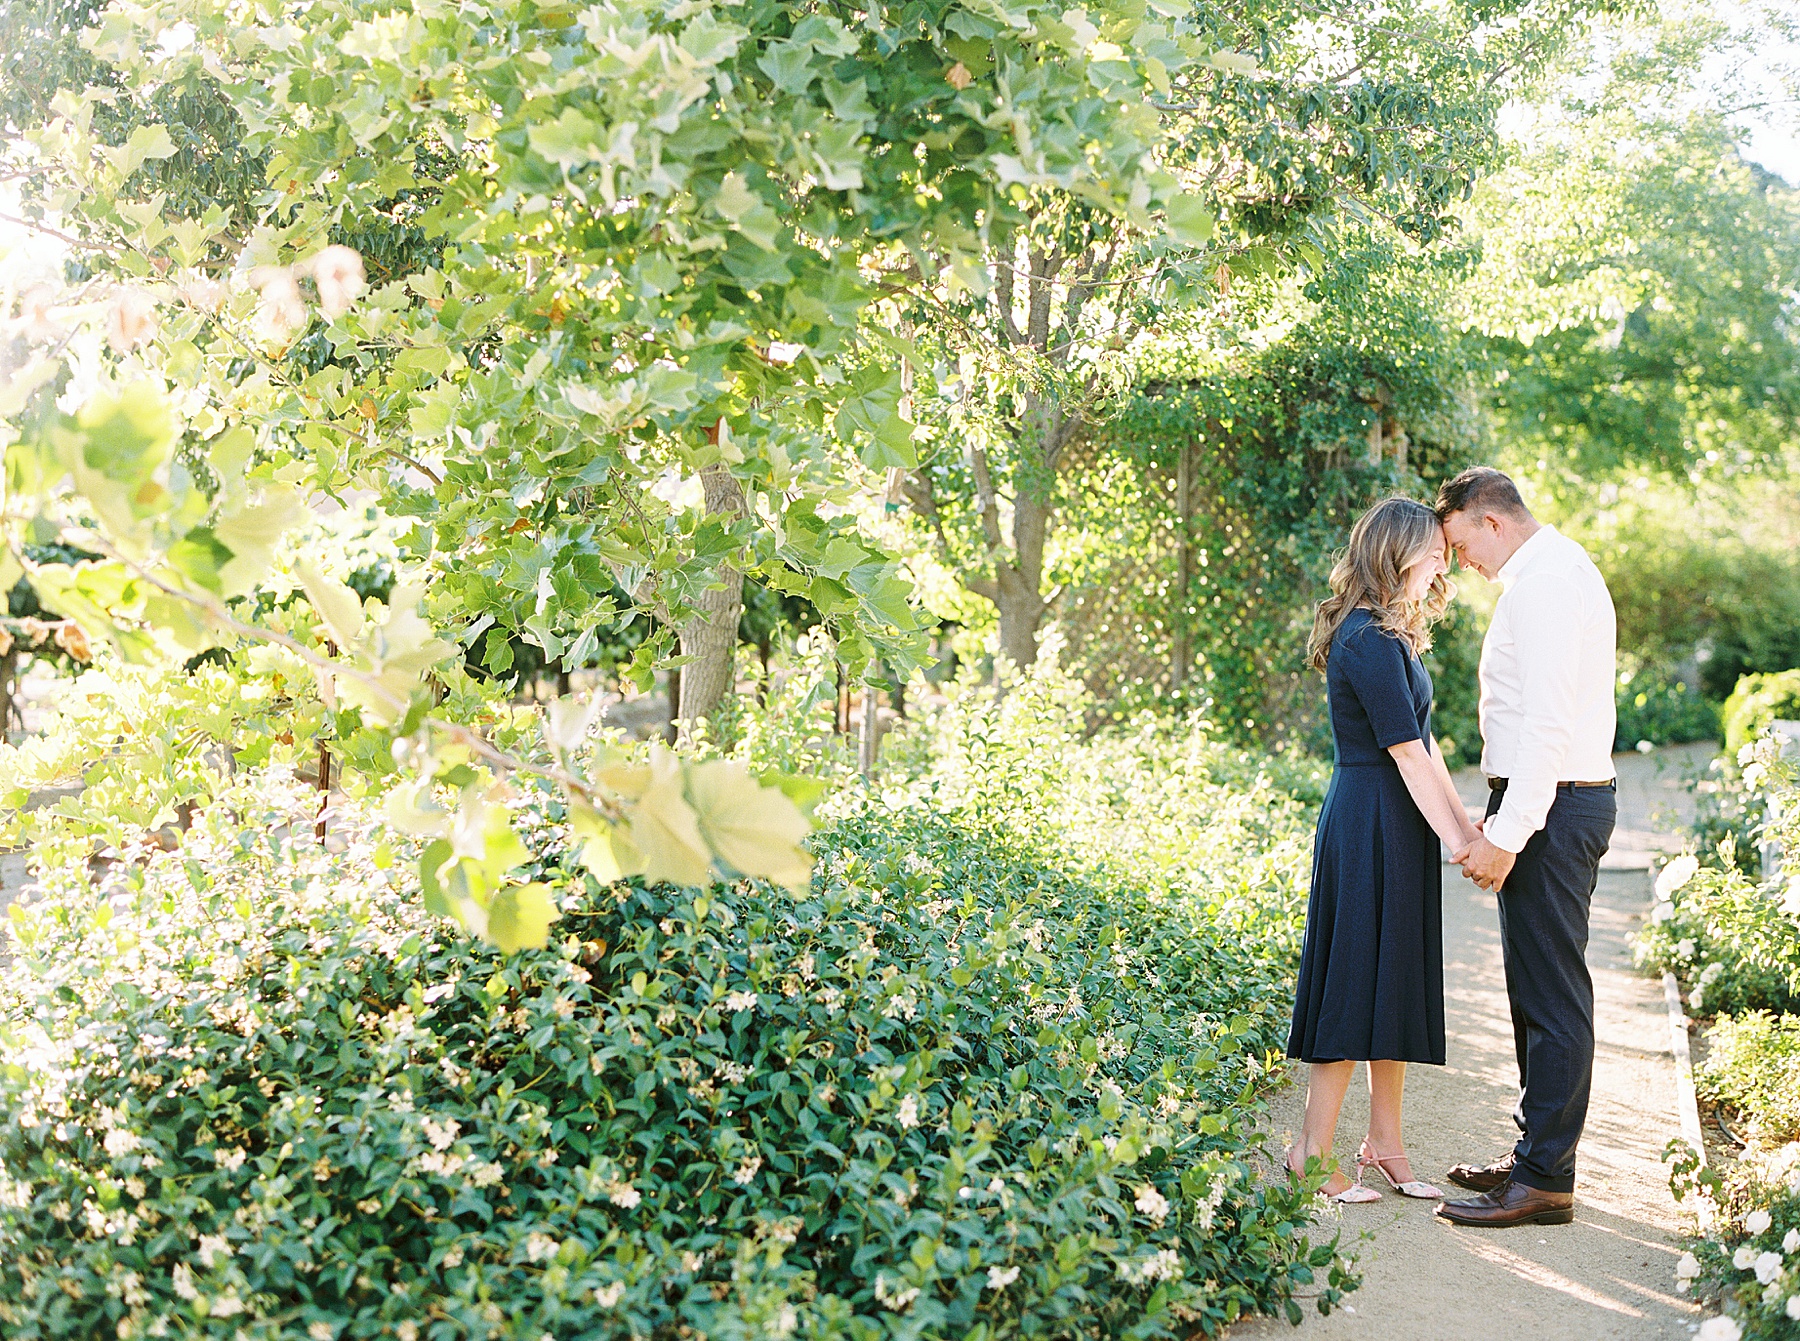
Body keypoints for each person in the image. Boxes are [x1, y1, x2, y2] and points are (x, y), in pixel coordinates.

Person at [1433, 466, 1618, 1229]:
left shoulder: (1545, 583)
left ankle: (1545, 1179)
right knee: (1536, 996)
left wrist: (1507, 834)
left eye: (1459, 542)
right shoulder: (1549, 571)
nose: (1458, 561)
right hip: (1550, 803)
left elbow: (1545, 725)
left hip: (1553, 809)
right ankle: (1536, 1154)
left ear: (1491, 521)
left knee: (1552, 998)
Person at [1286, 497, 1481, 1204]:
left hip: (1398, 824)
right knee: (1352, 983)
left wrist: (1469, 830)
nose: (1442, 561)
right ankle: (1310, 1151)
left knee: (1393, 983)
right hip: (1365, 820)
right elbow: (1401, 750)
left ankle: (1387, 1143)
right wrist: (1461, 841)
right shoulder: (1364, 637)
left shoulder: (1395, 635)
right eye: (1431, 549)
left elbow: (1427, 746)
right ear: (1396, 551)